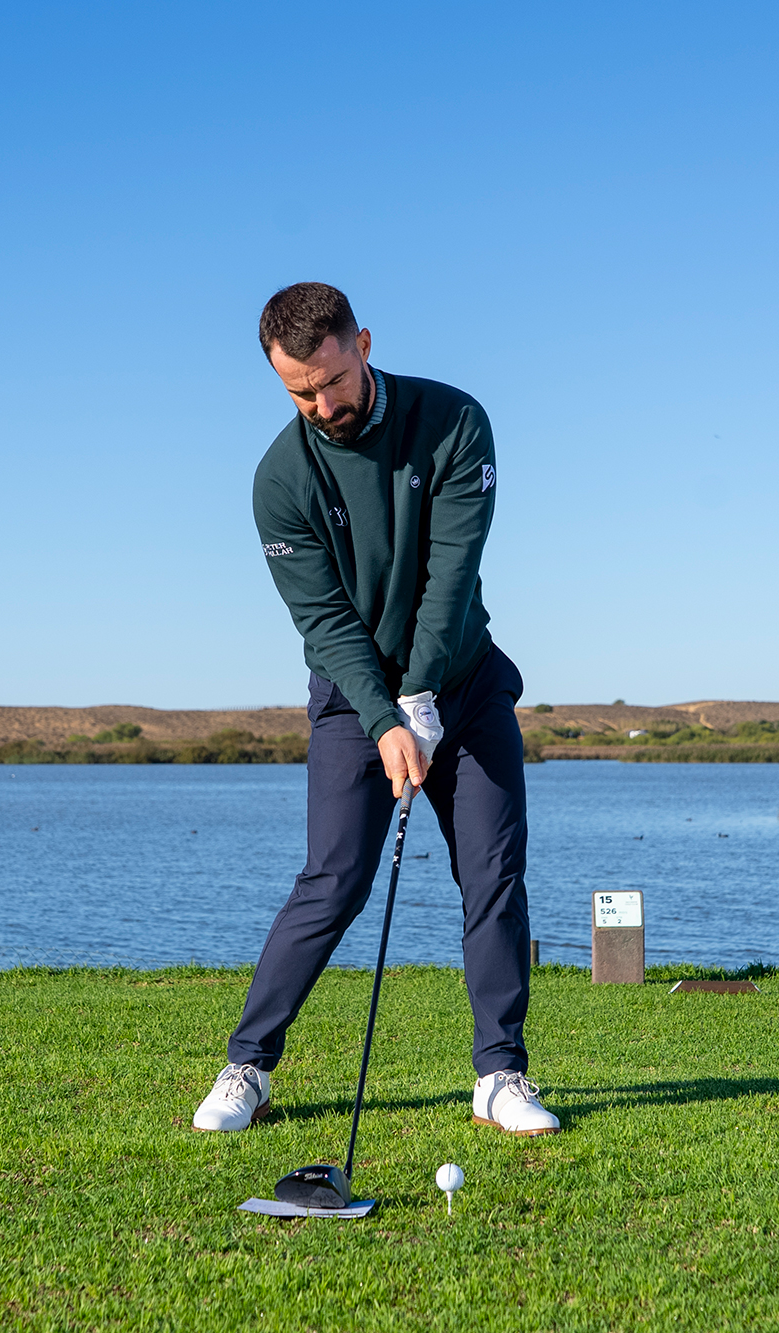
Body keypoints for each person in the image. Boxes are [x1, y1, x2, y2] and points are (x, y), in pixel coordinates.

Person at [191, 282, 558, 1137]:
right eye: (298, 392)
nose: (321, 405)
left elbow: (450, 575)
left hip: (463, 684)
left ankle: (500, 1075)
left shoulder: (456, 422)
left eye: (329, 381)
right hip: (352, 700)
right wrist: (388, 716)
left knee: (493, 873)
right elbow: (324, 619)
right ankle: (249, 1064)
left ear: (361, 341)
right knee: (334, 879)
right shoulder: (280, 479)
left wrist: (424, 697)